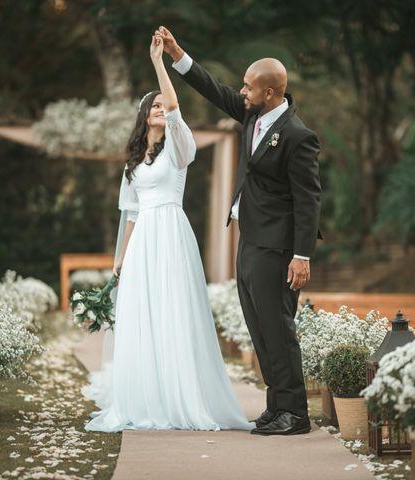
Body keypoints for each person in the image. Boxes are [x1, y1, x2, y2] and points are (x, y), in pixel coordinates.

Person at [157, 26, 322, 436]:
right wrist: (179, 55)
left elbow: (309, 200)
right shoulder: (252, 114)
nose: (241, 92)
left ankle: (296, 413)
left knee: (278, 327)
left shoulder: (299, 137)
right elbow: (214, 89)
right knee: (258, 325)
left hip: (278, 248)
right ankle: (276, 405)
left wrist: (302, 256)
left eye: (249, 87)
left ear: (270, 93)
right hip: (250, 238)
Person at [83, 34, 253, 432]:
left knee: (173, 311)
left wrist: (160, 62)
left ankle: (181, 397)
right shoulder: (134, 163)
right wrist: (120, 259)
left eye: (162, 105)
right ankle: (145, 396)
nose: (160, 109)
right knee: (144, 315)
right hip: (143, 241)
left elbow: (175, 106)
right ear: (144, 116)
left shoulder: (180, 147)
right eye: (154, 107)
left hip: (172, 233)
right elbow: (130, 214)